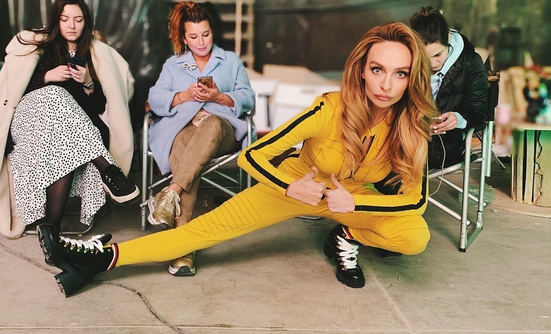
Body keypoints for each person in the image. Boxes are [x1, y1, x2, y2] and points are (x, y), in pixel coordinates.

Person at [37, 22, 437, 297]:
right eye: (378, 69)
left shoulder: (412, 125)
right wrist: (290, 186)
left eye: (400, 74)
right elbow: (253, 156)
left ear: (412, 77)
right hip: (296, 187)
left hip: (351, 200)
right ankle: (100, 258)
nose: (386, 84)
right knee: (200, 232)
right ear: (361, 70)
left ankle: (345, 236)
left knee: (415, 236)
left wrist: (355, 205)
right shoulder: (329, 110)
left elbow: (416, 200)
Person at [0, 0, 139, 239]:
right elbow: (14, 92)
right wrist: (46, 78)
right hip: (29, 122)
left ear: (86, 23)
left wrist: (88, 83)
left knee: (63, 141)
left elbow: (98, 107)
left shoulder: (92, 55)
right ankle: (108, 170)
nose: (71, 26)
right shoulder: (40, 49)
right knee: (55, 94)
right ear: (56, 21)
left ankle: (51, 231)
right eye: (65, 19)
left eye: (78, 20)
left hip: (67, 130)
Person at [145, 1, 255, 276]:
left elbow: (248, 96)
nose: (201, 42)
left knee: (212, 125)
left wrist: (219, 97)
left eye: (205, 34)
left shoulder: (230, 61)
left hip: (221, 130)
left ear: (212, 32)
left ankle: (170, 193)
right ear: (184, 38)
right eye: (193, 36)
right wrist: (184, 96)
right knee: (185, 150)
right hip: (183, 128)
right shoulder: (173, 65)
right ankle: (183, 247)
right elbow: (155, 98)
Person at [409, 7, 488, 170]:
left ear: (449, 39)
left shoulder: (470, 63)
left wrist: (458, 119)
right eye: (424, 57)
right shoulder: (405, 58)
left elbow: (479, 113)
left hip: (445, 149)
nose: (432, 64)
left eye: (438, 55)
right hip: (404, 143)